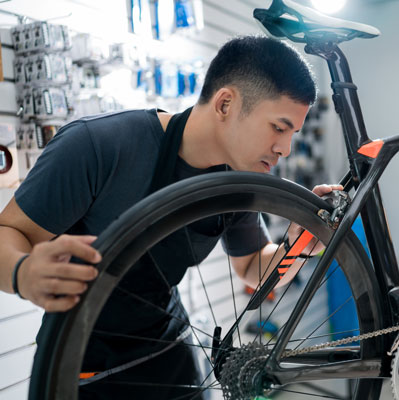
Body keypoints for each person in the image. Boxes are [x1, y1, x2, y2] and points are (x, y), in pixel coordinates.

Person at [0, 35, 341, 398]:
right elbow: (9, 231)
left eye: (293, 134)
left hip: (169, 352)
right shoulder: (99, 146)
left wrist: (303, 243)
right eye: (278, 127)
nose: (285, 149)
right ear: (225, 103)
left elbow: (253, 268)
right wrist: (23, 273)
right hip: (82, 359)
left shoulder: (238, 180)